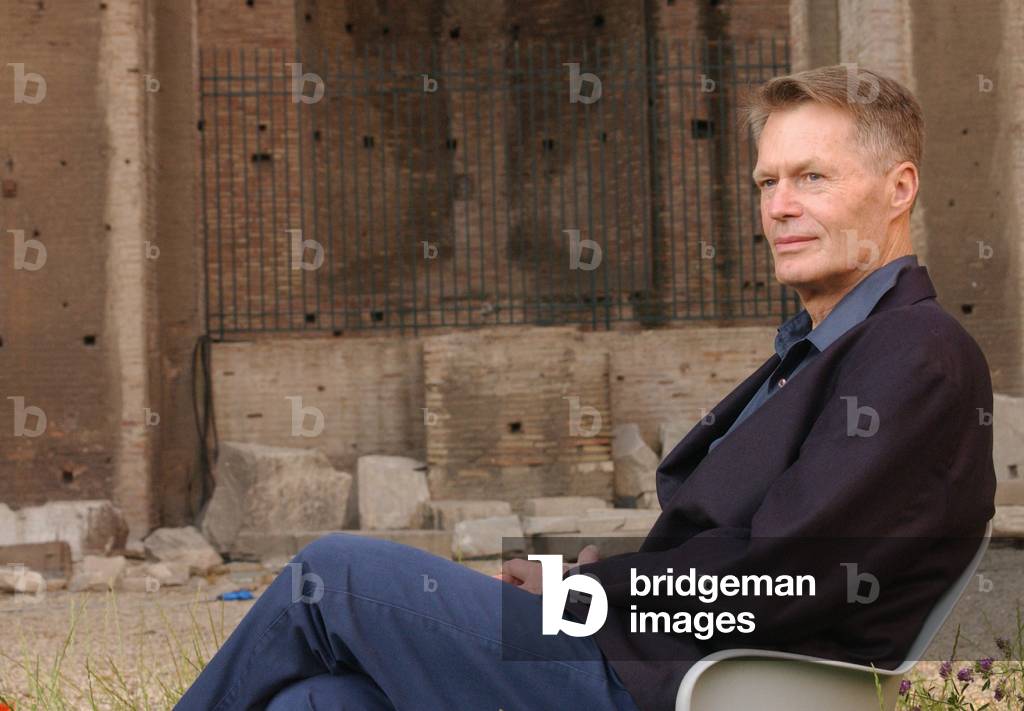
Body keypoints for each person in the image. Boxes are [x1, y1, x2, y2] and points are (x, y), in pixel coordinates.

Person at [176, 64, 995, 711]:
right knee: (319, 700)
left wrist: (579, 594)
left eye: (812, 178)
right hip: (648, 663)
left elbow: (783, 579)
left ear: (899, 188)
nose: (779, 206)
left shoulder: (915, 349)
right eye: (765, 182)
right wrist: (582, 584)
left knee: (334, 573)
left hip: (686, 686)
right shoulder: (832, 347)